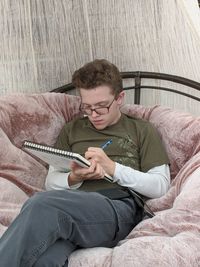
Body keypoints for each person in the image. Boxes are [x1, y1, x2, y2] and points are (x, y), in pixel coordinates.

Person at [0, 59, 170, 267]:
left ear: (120, 98)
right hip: (72, 208)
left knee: (41, 203)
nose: (94, 115)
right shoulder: (72, 129)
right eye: (87, 107)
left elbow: (160, 186)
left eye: (101, 106)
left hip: (117, 209)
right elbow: (51, 182)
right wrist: (74, 178)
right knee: (43, 258)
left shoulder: (141, 130)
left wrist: (112, 168)